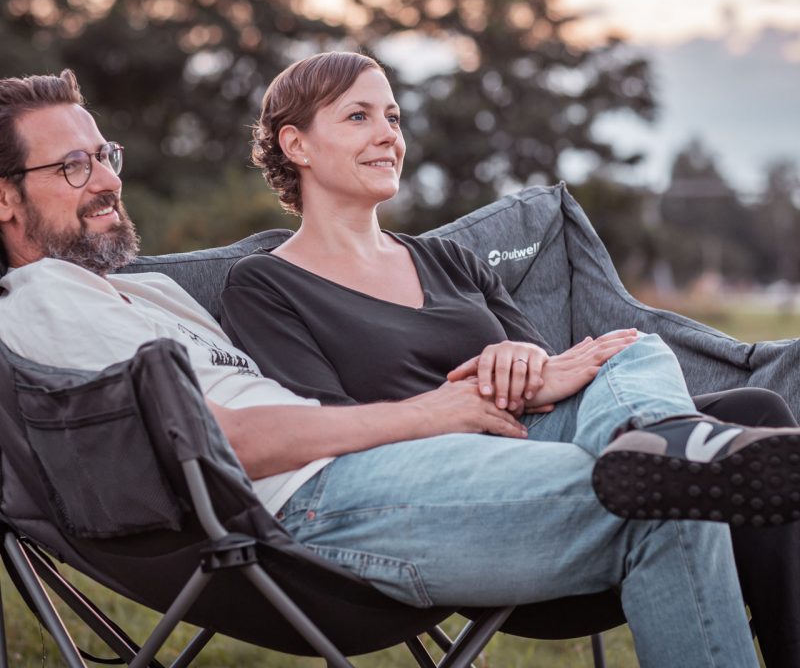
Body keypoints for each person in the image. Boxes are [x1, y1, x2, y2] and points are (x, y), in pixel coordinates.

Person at [0, 71, 786, 668]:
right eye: (73, 166)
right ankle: (676, 457)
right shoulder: (40, 298)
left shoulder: (148, 292)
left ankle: (665, 441)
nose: (108, 179)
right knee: (671, 501)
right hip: (307, 511)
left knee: (633, 356)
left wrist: (525, 374)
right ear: (6, 200)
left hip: (374, 471)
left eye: (106, 156)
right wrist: (433, 410)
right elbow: (217, 444)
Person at [220, 51, 800, 666]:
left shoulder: (448, 261)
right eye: (358, 117)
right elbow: (328, 434)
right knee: (692, 470)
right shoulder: (265, 283)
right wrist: (459, 404)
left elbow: (554, 374)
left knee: (650, 358)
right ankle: (665, 453)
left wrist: (522, 356)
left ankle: (658, 444)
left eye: (392, 117)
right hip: (453, 491)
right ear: (297, 145)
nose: (388, 134)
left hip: (545, 437)